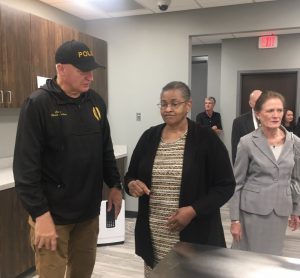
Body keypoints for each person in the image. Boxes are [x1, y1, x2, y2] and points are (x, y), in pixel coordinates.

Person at [13, 40, 123, 278]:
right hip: (53, 216)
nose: (90, 77)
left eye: (91, 71)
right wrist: (40, 215)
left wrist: (115, 185)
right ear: (61, 68)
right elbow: (25, 168)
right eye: (83, 71)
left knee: (82, 273)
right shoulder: (38, 104)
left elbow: (104, 149)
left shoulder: (95, 102)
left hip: (87, 214)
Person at [124, 81, 235, 277]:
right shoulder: (149, 137)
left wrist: (194, 210)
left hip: (194, 233)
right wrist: (132, 184)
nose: (168, 109)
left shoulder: (206, 139)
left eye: (174, 103)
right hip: (155, 234)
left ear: (188, 105)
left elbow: (225, 186)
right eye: (163, 104)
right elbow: (130, 175)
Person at [229, 91, 300, 256]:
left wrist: (296, 210)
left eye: (279, 110)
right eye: (270, 111)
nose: (276, 115)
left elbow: (296, 179)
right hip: (251, 211)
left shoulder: (295, 142)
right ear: (258, 114)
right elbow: (237, 183)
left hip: (280, 210)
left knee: (272, 255)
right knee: (246, 256)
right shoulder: (247, 142)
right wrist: (234, 219)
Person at [231, 89, 262, 164]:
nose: (260, 104)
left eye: (261, 101)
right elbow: (236, 149)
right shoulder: (239, 122)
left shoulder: (272, 120)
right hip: (248, 168)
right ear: (250, 103)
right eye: (256, 101)